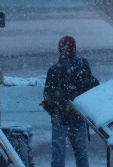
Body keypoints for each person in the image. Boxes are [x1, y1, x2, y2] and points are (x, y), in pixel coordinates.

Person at [41, 36, 99, 167]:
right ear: (75, 49)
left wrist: (53, 109)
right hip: (79, 116)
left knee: (58, 154)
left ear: (60, 50)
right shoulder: (83, 65)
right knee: (81, 153)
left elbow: (48, 95)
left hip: (60, 118)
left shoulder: (54, 70)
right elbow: (92, 86)